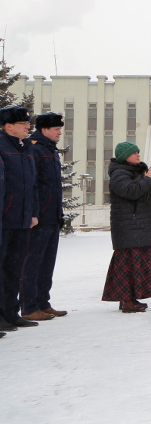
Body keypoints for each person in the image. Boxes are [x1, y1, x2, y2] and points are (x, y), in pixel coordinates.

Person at [103, 142, 151, 313]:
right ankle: (127, 300)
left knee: (136, 262)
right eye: (134, 153)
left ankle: (130, 298)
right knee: (128, 263)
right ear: (124, 156)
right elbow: (132, 191)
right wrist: (148, 179)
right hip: (128, 225)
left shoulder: (136, 172)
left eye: (138, 152)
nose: (138, 155)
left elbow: (147, 193)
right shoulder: (118, 173)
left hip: (137, 225)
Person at [23, 112, 68, 321]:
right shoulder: (34, 149)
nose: (60, 132)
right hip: (39, 217)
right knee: (32, 263)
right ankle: (29, 306)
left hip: (51, 216)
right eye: (56, 129)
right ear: (44, 130)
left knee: (47, 263)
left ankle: (42, 302)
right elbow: (32, 184)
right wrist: (35, 213)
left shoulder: (51, 150)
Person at [1, 106, 39, 331]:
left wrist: (34, 212)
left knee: (14, 268)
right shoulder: (2, 146)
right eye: (23, 124)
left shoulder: (26, 148)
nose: (28, 127)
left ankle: (10, 313)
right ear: (8, 126)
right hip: (5, 218)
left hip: (22, 219)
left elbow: (31, 184)